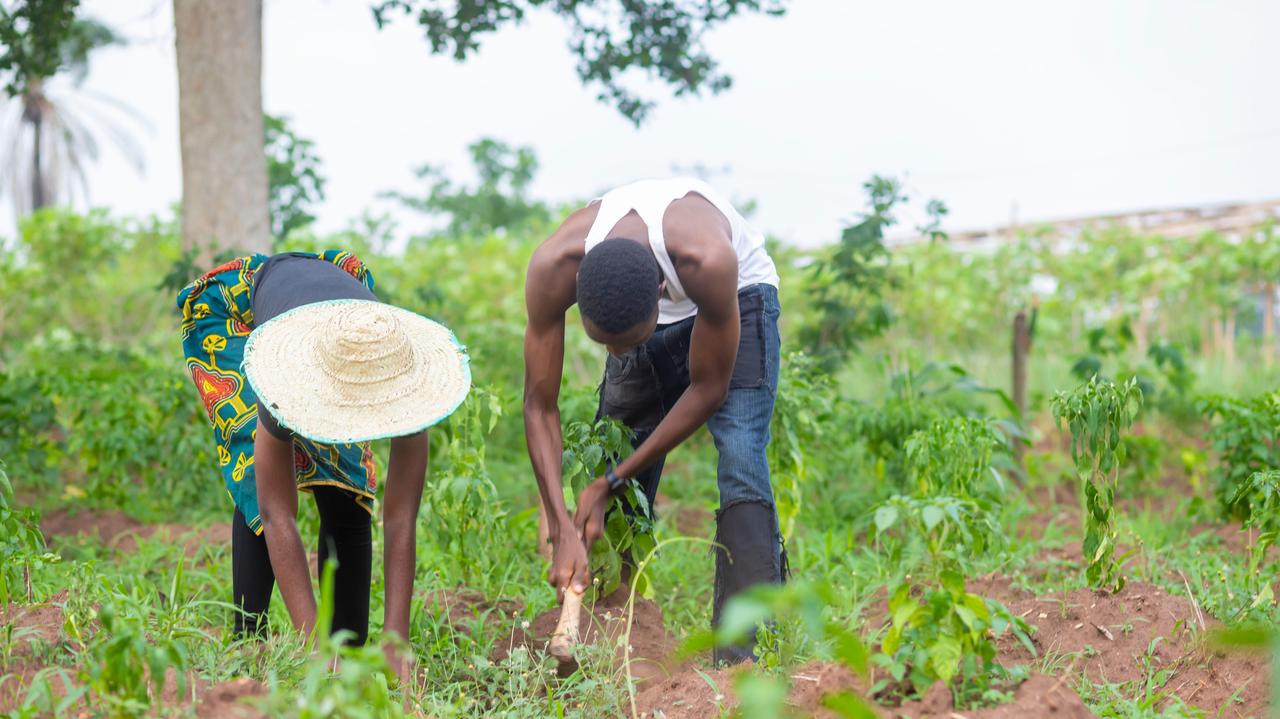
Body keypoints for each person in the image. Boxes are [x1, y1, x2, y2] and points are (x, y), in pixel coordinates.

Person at [523, 178, 784, 664]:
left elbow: (708, 389)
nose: (618, 356)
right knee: (616, 444)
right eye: (606, 346)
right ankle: (616, 626)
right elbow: (539, 405)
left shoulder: (710, 261)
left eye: (626, 342)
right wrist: (559, 521)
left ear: (662, 292)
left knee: (742, 453)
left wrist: (611, 482)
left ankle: (743, 654)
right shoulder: (554, 265)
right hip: (647, 301)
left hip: (738, 298)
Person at [177, 250, 469, 677]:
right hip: (236, 313)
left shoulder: (404, 377)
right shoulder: (282, 377)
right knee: (254, 471)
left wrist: (397, 641)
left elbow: (401, 517)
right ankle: (248, 639)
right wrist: (313, 648)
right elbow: (278, 515)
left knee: (347, 479)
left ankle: (349, 647)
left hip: (344, 324)